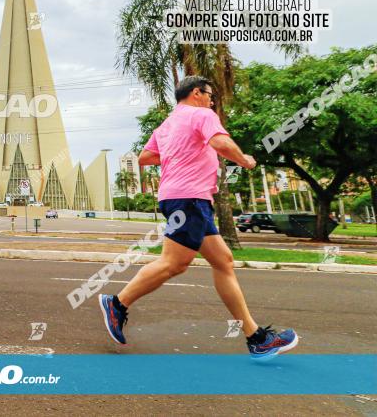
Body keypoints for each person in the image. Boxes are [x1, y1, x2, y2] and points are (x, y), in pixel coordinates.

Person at [99, 76, 299, 359]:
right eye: (210, 94)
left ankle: (256, 338)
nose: (212, 100)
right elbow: (221, 142)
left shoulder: (167, 124)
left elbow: (145, 157)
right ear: (196, 93)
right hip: (189, 198)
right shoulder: (202, 114)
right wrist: (244, 160)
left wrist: (178, 155)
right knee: (174, 264)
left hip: (187, 198)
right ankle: (117, 303)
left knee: (223, 261)